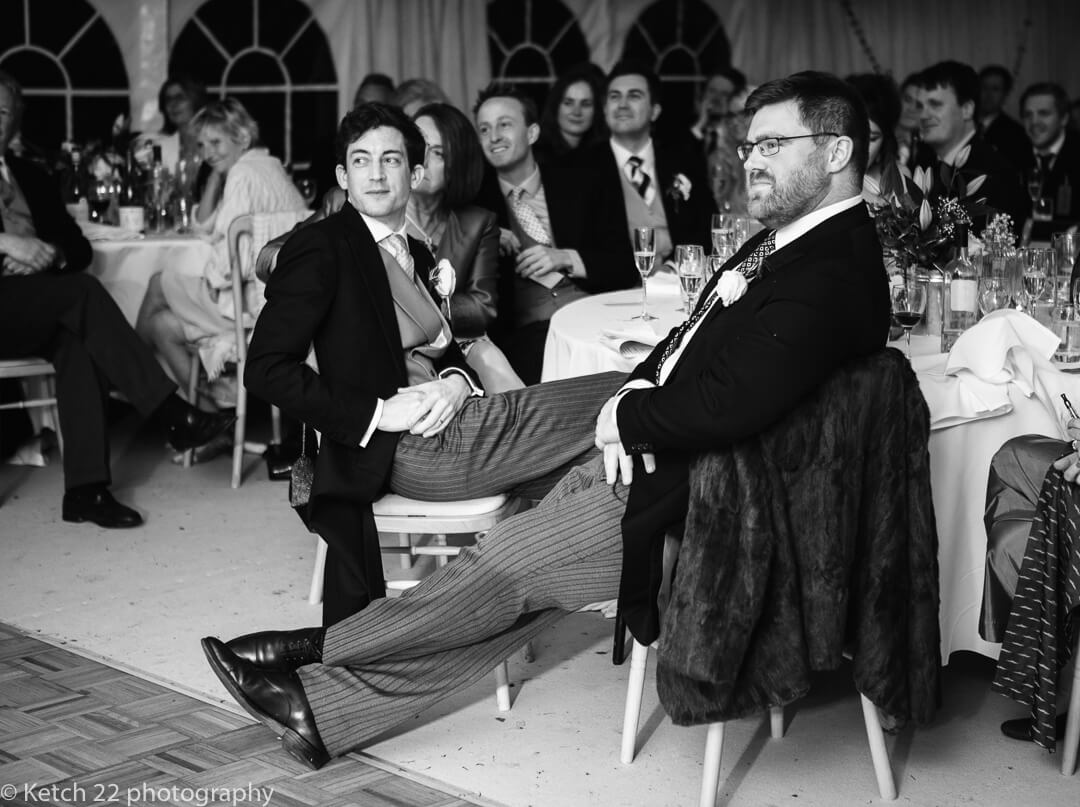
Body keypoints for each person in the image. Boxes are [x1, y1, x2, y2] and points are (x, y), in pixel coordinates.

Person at [200, 70, 890, 770]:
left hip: (717, 497)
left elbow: (731, 403)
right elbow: (691, 346)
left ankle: (314, 652)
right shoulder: (792, 244)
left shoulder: (830, 270)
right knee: (519, 578)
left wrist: (628, 411)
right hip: (674, 458)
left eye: (772, 143)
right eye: (749, 145)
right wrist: (629, 401)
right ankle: (320, 708)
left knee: (504, 563)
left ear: (837, 152)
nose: (752, 160)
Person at [0, 69, 234, 527]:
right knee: (85, 296)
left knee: (78, 337)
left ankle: (85, 492)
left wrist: (45, 256)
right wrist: (6, 244)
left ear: (16, 120)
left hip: (35, 303)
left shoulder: (31, 174)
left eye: (3, 110)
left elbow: (79, 249)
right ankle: (171, 411)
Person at [136, 98, 306, 404]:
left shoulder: (242, 175)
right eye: (202, 145)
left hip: (251, 305)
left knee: (157, 283)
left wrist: (210, 279)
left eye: (215, 142)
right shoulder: (269, 166)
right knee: (160, 326)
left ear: (241, 137)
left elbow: (231, 264)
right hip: (282, 302)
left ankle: (133, 379)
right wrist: (216, 174)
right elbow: (206, 226)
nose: (207, 153)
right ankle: (203, 416)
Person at [471, 82, 636, 384]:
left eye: (504, 125)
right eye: (484, 129)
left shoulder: (579, 183)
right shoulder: (476, 204)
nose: (493, 137)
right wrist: (487, 236)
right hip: (529, 337)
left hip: (598, 317)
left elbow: (625, 265)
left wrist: (566, 257)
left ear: (532, 133)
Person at [574, 60, 714, 265]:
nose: (622, 105)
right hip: (613, 288)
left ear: (654, 111)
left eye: (634, 96)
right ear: (604, 110)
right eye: (614, 97)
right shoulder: (581, 167)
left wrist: (676, 269)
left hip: (678, 282)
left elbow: (709, 227)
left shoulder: (682, 161)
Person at [914, 61, 1027, 236]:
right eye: (920, 106)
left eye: (935, 104)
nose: (923, 115)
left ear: (967, 109)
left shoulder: (994, 173)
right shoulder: (922, 162)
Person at [1018, 82, 1079, 238]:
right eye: (1028, 115)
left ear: (1064, 118)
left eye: (1043, 113)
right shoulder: (1012, 155)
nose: (1034, 122)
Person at [846, 72, 904, 204]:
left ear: (884, 142)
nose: (860, 149)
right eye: (851, 136)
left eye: (871, 139)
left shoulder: (900, 178)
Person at [534, 63, 607, 164]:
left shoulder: (602, 153)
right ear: (556, 107)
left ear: (596, 111)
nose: (576, 111)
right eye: (568, 103)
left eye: (585, 104)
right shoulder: (536, 156)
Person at [978, 64, 1030, 173]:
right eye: (984, 88)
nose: (988, 95)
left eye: (995, 89)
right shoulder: (962, 126)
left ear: (1005, 94)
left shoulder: (1016, 133)